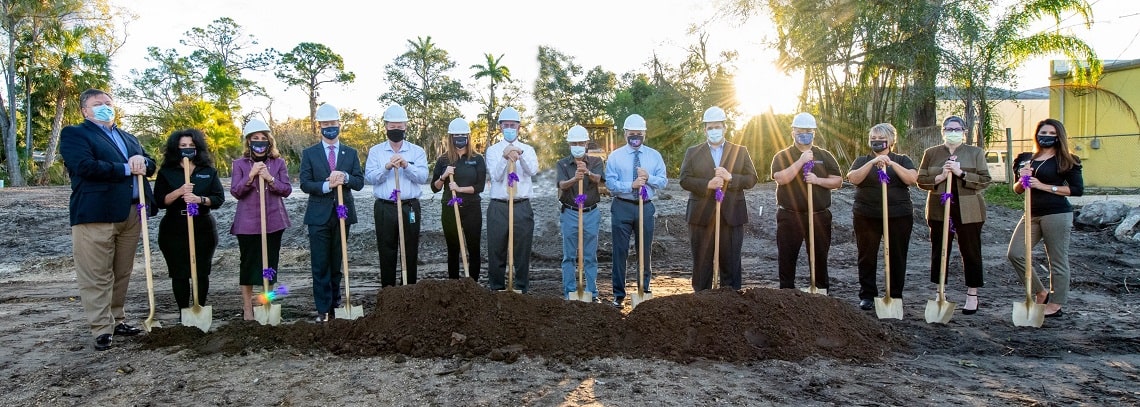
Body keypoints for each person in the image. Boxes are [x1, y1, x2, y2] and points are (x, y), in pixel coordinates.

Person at [59, 88, 155, 351]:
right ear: (85, 110)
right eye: (97, 103)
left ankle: (117, 318)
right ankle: (101, 328)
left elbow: (150, 164)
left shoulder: (129, 137)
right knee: (96, 273)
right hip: (96, 214)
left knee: (122, 271)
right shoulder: (75, 134)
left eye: (108, 103)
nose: (105, 106)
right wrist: (127, 168)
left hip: (132, 213)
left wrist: (144, 162)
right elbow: (84, 166)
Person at [1007, 118, 1083, 318]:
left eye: (1052, 134)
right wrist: (1023, 180)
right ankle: (1041, 292)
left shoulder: (1067, 160)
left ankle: (1057, 303)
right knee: (1015, 253)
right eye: (1043, 133)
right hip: (1031, 213)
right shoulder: (1026, 158)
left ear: (1059, 137)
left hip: (1057, 214)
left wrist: (1043, 186)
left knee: (1056, 259)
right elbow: (1016, 190)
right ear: (1037, 134)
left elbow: (1076, 190)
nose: (1046, 137)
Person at [917, 115, 991, 315]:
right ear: (943, 132)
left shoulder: (975, 153)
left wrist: (961, 173)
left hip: (969, 209)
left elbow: (985, 180)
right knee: (940, 250)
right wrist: (940, 176)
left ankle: (972, 294)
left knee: (971, 251)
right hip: (939, 208)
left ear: (964, 132)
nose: (953, 133)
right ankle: (940, 292)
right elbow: (921, 180)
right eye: (949, 129)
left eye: (957, 129)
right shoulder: (931, 153)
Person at [679, 107, 759, 291]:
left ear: (725, 127)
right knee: (701, 264)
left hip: (731, 216)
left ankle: (730, 305)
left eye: (717, 126)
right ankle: (702, 303)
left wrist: (731, 178)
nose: (714, 130)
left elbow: (752, 178)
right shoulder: (693, 152)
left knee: (731, 263)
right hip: (701, 216)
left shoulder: (740, 151)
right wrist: (707, 184)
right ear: (704, 129)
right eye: (710, 127)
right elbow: (684, 180)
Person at [299, 103, 364, 322]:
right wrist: (327, 185)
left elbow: (359, 182)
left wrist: (344, 177)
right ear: (320, 126)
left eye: (333, 124)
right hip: (318, 216)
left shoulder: (350, 153)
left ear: (339, 125)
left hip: (343, 214)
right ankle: (322, 309)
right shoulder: (310, 154)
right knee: (320, 263)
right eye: (325, 124)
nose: (329, 127)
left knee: (338, 262)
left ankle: (337, 304)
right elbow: (305, 184)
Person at [153, 129, 225, 315]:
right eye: (183, 146)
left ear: (197, 148)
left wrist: (199, 199)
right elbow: (160, 201)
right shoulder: (167, 172)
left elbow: (218, 199)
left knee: (201, 271)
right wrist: (179, 192)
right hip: (174, 226)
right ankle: (183, 311)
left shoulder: (207, 171)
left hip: (202, 225)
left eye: (191, 146)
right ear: (175, 149)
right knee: (180, 272)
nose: (187, 149)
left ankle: (199, 309)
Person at [846, 123, 917, 310]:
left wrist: (890, 163)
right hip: (866, 215)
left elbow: (911, 179)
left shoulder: (902, 159)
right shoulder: (862, 160)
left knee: (897, 256)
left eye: (881, 138)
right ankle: (868, 295)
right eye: (873, 138)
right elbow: (853, 178)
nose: (876, 141)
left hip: (899, 215)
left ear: (891, 140)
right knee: (866, 256)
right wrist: (871, 163)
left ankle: (894, 295)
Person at [771, 112, 843, 292]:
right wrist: (800, 161)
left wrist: (818, 180)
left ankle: (820, 291)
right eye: (800, 130)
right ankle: (787, 294)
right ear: (793, 132)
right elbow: (780, 178)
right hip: (790, 215)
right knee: (787, 258)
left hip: (819, 216)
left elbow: (837, 181)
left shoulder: (824, 155)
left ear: (814, 133)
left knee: (819, 257)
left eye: (808, 131)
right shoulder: (782, 155)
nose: (804, 134)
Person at [229, 119, 292, 320]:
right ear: (248, 141)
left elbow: (287, 190)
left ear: (269, 141)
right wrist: (251, 175)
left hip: (274, 220)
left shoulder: (278, 163)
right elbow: (236, 192)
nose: (259, 142)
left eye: (263, 138)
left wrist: (270, 179)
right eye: (255, 138)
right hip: (247, 223)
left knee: (270, 264)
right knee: (248, 264)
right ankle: (248, 308)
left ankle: (267, 301)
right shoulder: (239, 164)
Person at [605, 114, 667, 307]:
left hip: (645, 207)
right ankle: (618, 294)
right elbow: (610, 184)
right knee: (620, 251)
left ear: (644, 134)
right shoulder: (615, 156)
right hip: (622, 206)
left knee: (644, 250)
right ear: (625, 133)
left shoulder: (654, 156)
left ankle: (644, 288)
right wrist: (630, 185)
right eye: (632, 133)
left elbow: (663, 181)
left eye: (639, 133)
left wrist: (649, 178)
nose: (635, 136)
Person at [365, 104, 429, 287]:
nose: (396, 130)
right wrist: (386, 167)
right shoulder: (376, 152)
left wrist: (407, 166)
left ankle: (409, 291)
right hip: (385, 207)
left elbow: (423, 177)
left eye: (400, 127)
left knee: (410, 249)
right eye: (392, 127)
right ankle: (388, 293)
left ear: (406, 127)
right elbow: (370, 178)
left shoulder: (416, 151)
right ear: (385, 126)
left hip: (409, 207)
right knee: (387, 250)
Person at [486, 106, 539, 293]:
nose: (509, 127)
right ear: (500, 127)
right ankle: (497, 289)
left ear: (519, 127)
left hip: (521, 206)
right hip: (499, 206)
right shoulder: (493, 151)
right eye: (505, 125)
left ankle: (521, 289)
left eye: (513, 125)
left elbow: (533, 170)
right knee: (496, 250)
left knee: (522, 252)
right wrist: (505, 156)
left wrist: (519, 156)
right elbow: (496, 176)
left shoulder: (528, 149)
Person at [431, 118, 487, 280]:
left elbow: (480, 187)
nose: (460, 138)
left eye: (463, 135)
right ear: (450, 137)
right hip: (449, 209)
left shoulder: (477, 159)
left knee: (474, 248)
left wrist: (459, 189)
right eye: (456, 135)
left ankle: (473, 285)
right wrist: (444, 176)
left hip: (472, 208)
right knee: (453, 249)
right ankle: (454, 285)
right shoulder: (443, 159)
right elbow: (435, 188)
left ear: (469, 137)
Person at [557, 125, 605, 301]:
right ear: (569, 144)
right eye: (574, 143)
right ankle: (570, 292)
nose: (577, 145)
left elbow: (599, 179)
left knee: (590, 256)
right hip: (570, 212)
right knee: (569, 256)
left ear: (586, 143)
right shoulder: (562, 163)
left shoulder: (596, 162)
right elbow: (561, 184)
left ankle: (592, 292)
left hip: (590, 213)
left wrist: (587, 172)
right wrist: (574, 179)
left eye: (580, 142)